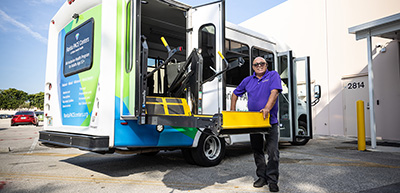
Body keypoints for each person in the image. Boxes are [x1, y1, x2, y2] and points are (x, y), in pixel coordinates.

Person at [230, 57, 282, 192]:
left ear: (266, 65)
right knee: (257, 151)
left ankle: (272, 180)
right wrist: (232, 111)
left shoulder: (273, 75)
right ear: (253, 67)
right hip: (254, 122)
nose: (259, 66)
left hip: (270, 122)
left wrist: (267, 108)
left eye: (262, 63)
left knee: (273, 152)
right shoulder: (248, 80)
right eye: (256, 64)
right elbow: (235, 94)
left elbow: (274, 92)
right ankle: (262, 177)